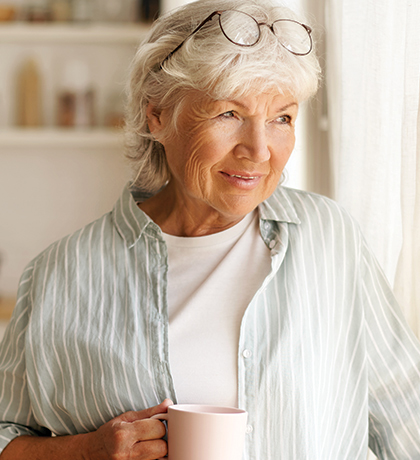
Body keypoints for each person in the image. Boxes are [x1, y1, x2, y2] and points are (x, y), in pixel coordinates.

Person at [1, 0, 420, 458]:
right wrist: (87, 451)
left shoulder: (329, 237)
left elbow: (405, 415)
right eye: (228, 114)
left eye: (281, 117)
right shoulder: (60, 273)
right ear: (157, 115)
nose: (259, 150)